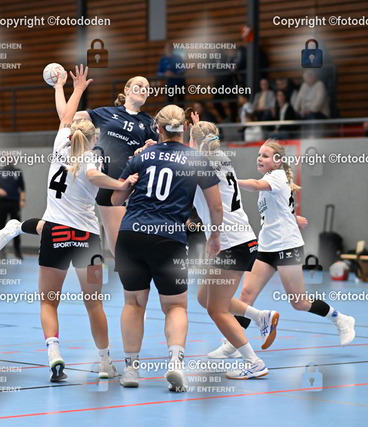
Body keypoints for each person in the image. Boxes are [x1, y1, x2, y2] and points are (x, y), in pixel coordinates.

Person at [0, 65, 139, 382]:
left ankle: (54, 354)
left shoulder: (60, 143)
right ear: (94, 138)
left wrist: (66, 88)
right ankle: (105, 362)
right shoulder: (94, 158)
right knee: (94, 305)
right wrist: (122, 184)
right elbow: (93, 176)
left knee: (48, 302)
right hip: (87, 240)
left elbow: (65, 115)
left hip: (56, 232)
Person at [111, 104, 223, 392]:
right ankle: (175, 363)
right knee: (175, 306)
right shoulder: (196, 159)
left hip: (131, 236)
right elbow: (216, 207)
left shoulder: (141, 156)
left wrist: (131, 181)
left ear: (158, 129)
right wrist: (214, 236)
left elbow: (115, 199)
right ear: (184, 128)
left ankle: (131, 369)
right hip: (168, 239)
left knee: (133, 303)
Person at [209, 140, 355, 356]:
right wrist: (294, 218)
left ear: (277, 161)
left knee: (299, 302)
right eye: (259, 155)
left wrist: (230, 181)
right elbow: (280, 209)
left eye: (265, 156)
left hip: (287, 247)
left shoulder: (276, 177)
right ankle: (234, 344)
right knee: (246, 294)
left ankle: (341, 319)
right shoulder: (272, 179)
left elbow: (255, 185)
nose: (260, 158)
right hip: (266, 248)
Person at [190, 120, 276, 379]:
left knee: (216, 309)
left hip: (229, 242)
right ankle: (260, 317)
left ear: (193, 142)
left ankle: (254, 362)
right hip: (243, 239)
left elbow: (215, 207)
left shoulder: (200, 164)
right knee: (204, 297)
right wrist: (198, 132)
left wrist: (214, 236)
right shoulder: (221, 158)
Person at [61, 74, 157, 256]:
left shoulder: (149, 123)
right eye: (139, 85)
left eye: (147, 88)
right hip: (108, 184)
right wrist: (62, 88)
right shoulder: (106, 113)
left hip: (134, 185)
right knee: (118, 249)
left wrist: (149, 148)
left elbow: (159, 154)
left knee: (138, 243)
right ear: (126, 90)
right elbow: (66, 116)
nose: (143, 90)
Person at [0, 154, 25, 260]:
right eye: (6, 158)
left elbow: (22, 188)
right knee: (0, 226)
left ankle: (17, 252)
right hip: (2, 203)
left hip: (14, 202)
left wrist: (22, 200)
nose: (8, 160)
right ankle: (1, 253)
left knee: (16, 227)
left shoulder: (17, 172)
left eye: (9, 158)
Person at [157, 42, 186, 107]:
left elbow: (183, 69)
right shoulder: (163, 59)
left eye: (170, 47)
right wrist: (165, 74)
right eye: (167, 48)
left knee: (181, 103)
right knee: (169, 104)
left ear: (172, 49)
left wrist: (174, 74)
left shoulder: (178, 58)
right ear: (165, 49)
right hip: (169, 84)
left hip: (179, 83)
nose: (168, 49)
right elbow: (159, 73)